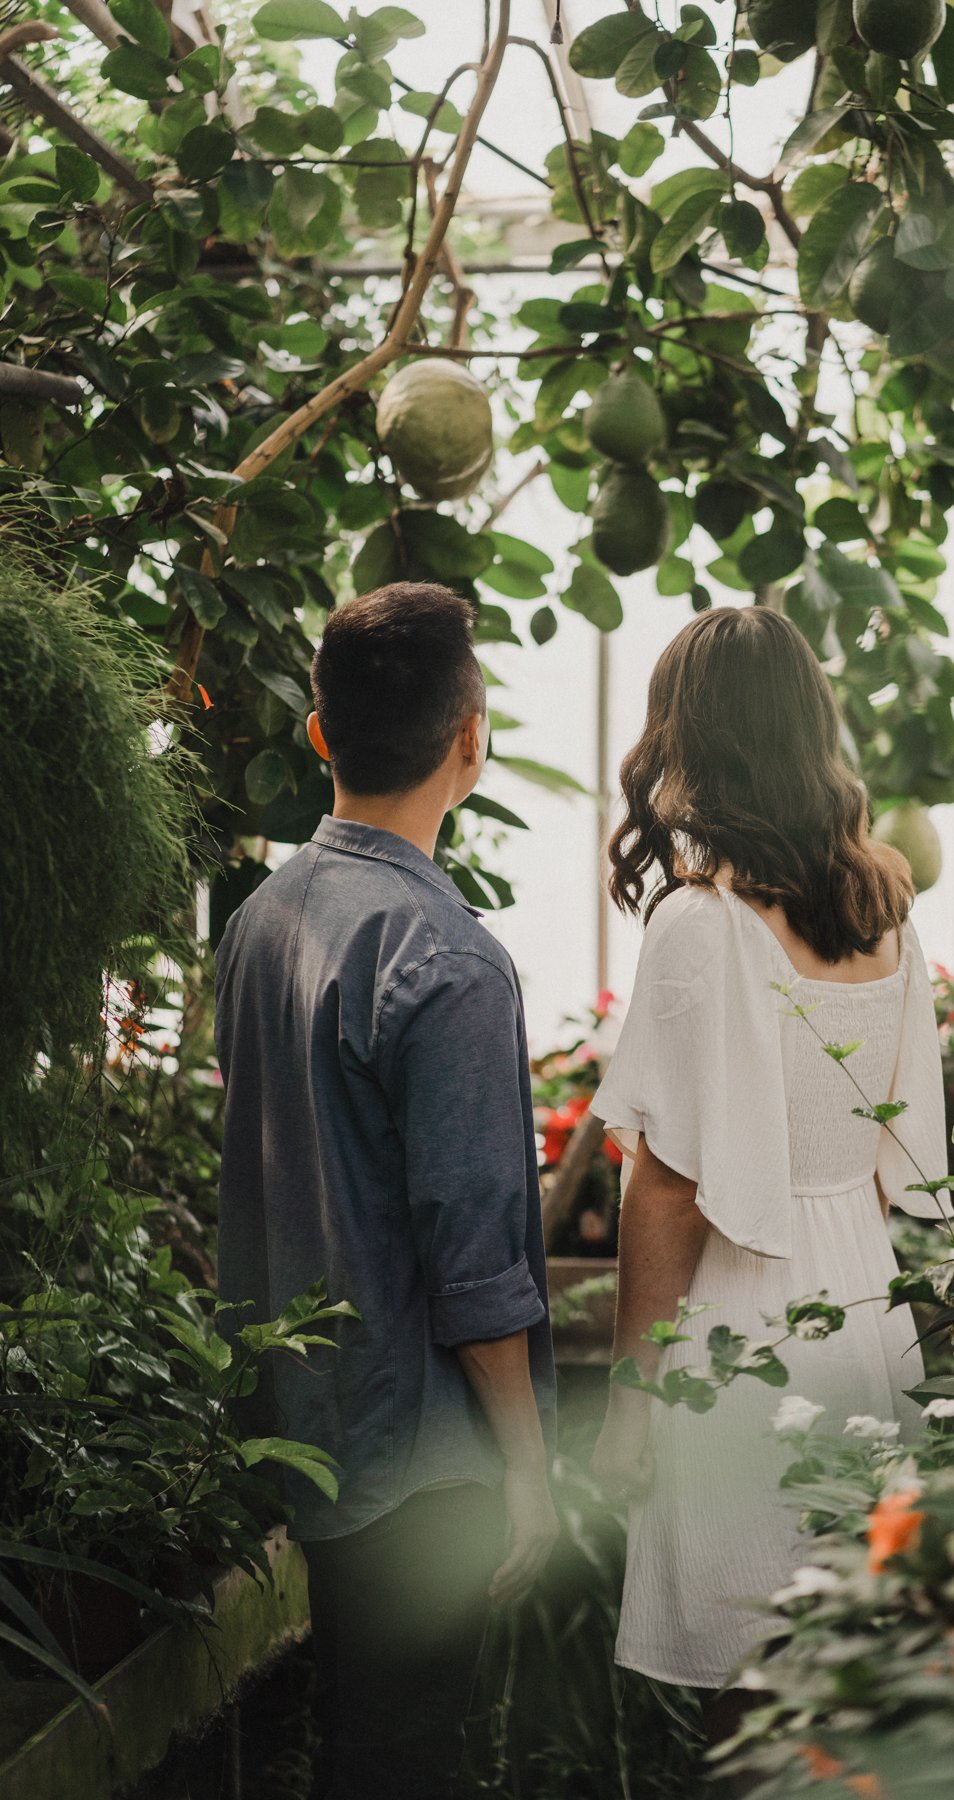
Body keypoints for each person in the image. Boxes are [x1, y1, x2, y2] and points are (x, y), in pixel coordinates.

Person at [214, 582, 558, 1800]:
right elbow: (473, 1260)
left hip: (309, 1419)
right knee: (406, 1758)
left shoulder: (260, 921)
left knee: (359, 1742)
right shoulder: (448, 956)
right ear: (471, 740)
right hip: (425, 1456)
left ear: (320, 733)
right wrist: (531, 1469)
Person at [587, 606, 949, 1734]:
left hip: (746, 1334)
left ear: (689, 740)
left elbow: (668, 1190)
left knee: (749, 1697)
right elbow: (900, 1165)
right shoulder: (887, 915)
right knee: (851, 1690)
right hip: (868, 1313)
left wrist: (631, 1408)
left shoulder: (702, 925)